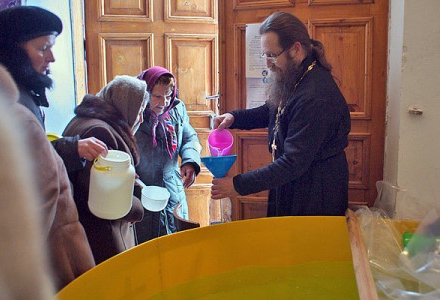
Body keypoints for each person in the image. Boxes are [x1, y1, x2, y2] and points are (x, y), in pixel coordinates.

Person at [211, 12, 351, 217]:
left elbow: (293, 163)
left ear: (296, 49)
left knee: (304, 247)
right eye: (264, 55)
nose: (267, 63)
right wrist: (235, 117)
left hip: (315, 191)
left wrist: (237, 185)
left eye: (272, 55)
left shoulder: (316, 97)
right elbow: (274, 109)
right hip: (293, 180)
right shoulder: (298, 75)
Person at [0, 62, 95, 291]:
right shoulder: (17, 115)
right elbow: (46, 194)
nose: (51, 57)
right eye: (42, 47)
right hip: (54, 257)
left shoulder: (19, 109)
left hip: (51, 255)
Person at [0, 5, 107, 172]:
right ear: (12, 51)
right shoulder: (5, 100)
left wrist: (74, 147)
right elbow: (21, 168)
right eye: (43, 48)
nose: (51, 57)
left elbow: (29, 147)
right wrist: (72, 148)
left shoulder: (21, 90)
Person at [62, 75, 148, 264]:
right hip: (102, 234)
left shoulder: (84, 119)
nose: (141, 117)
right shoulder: (101, 132)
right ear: (126, 105)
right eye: (139, 110)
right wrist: (138, 208)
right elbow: (101, 195)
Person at [0, 62, 55, 299]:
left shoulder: (27, 100)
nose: (51, 57)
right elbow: (49, 189)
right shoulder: (10, 119)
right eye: (42, 47)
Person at [134, 66, 202, 243]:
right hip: (142, 190)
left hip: (173, 188)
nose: (163, 102)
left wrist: (190, 162)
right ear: (144, 93)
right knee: (145, 245)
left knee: (175, 242)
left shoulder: (177, 110)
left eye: (168, 96)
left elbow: (189, 137)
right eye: (157, 96)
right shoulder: (132, 114)